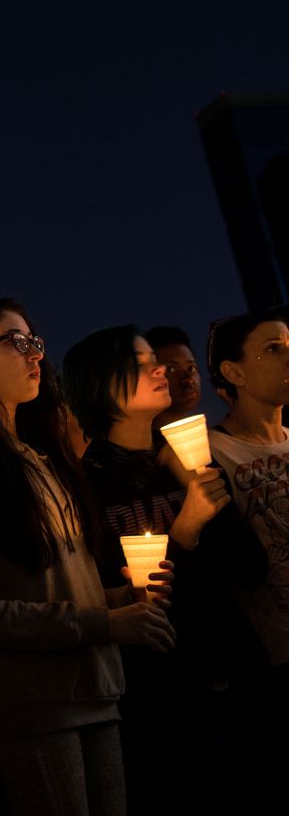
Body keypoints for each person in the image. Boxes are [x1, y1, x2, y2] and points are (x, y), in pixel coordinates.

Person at [0, 297, 176, 816]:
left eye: (35, 342)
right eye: (15, 343)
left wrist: (119, 600)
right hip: (32, 704)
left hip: (96, 689)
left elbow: (51, 588)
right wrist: (104, 623)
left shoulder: (41, 457)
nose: (34, 355)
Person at [64, 324, 267, 811]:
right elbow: (126, 599)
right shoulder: (83, 489)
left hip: (236, 671)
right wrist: (184, 530)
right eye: (139, 364)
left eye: (154, 358)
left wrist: (194, 481)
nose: (159, 369)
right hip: (161, 700)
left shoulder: (181, 458)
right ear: (98, 384)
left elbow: (251, 566)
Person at [206, 311, 289, 727]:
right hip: (271, 659)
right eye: (273, 350)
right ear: (233, 372)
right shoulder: (209, 455)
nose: (288, 358)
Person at [143, 325, 203, 438]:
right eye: (171, 369)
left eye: (191, 368)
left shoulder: (208, 442)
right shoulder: (146, 450)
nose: (188, 379)